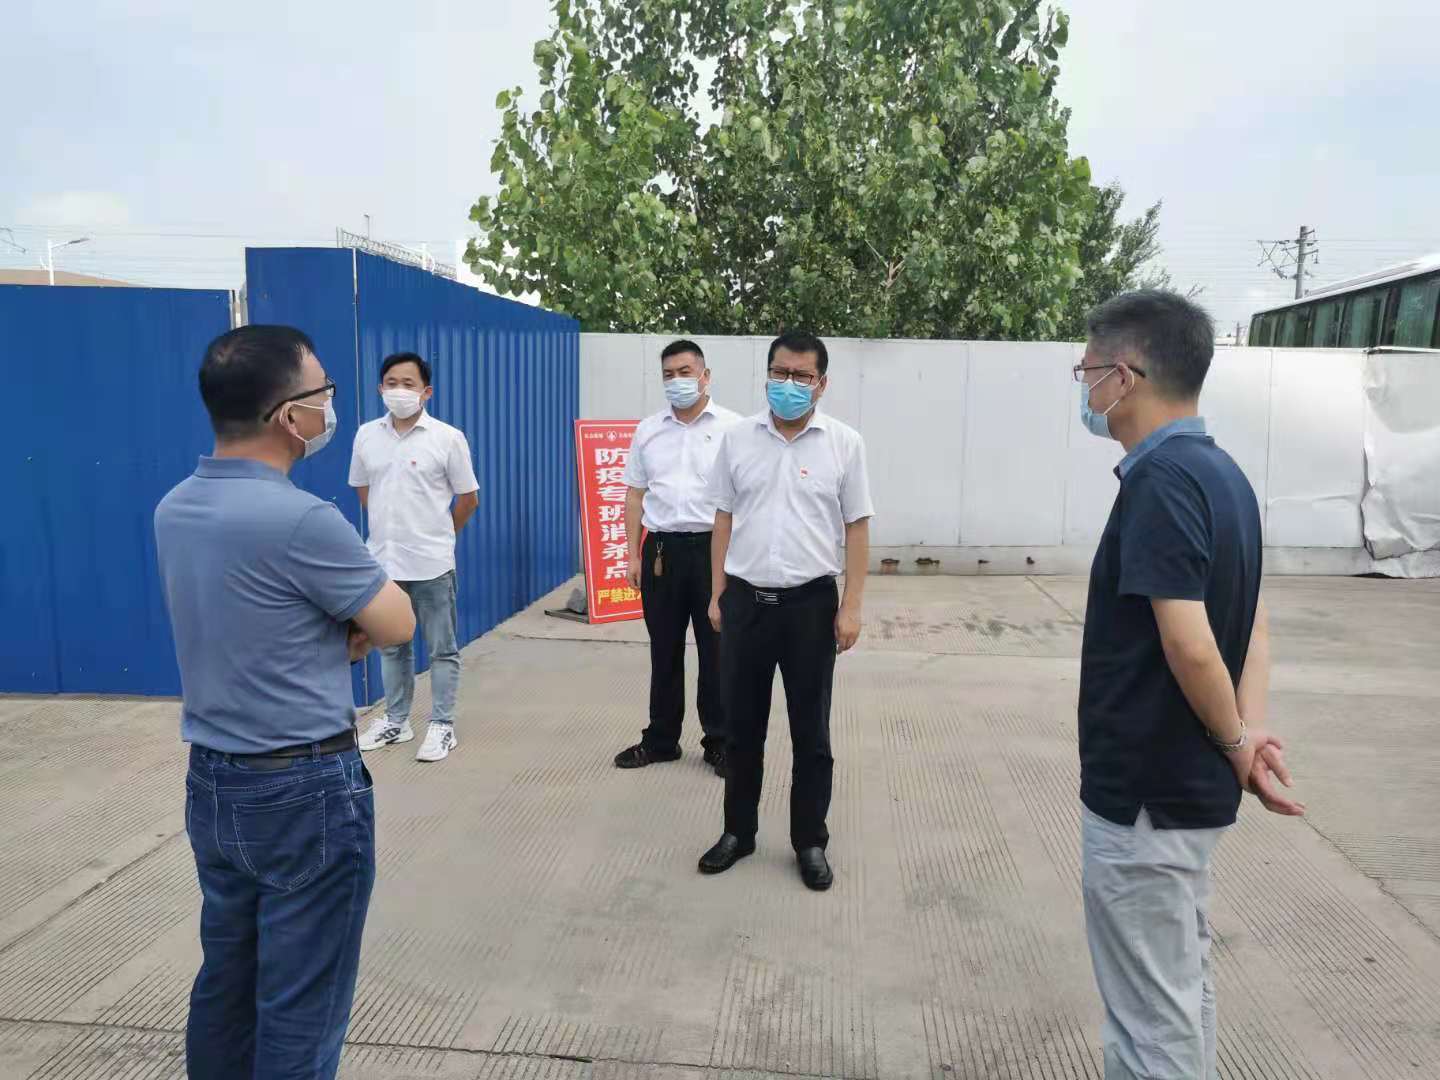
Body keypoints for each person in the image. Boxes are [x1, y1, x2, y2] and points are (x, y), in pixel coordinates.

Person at [154, 325, 416, 1079]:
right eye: (321, 392)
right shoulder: (302, 519)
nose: (330, 405)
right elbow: (396, 622)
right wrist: (344, 630)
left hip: (215, 781)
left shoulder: (177, 507)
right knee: (302, 1007)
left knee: (228, 986)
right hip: (303, 791)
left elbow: (247, 622)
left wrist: (323, 638)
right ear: (287, 416)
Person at [1073, 290, 1305, 1079]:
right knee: (1177, 990)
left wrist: (1237, 740)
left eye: (1087, 370)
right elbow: (1254, 624)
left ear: (1124, 375)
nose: (1084, 388)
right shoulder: (1222, 475)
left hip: (1148, 795)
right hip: (1183, 790)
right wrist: (1246, 734)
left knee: (1148, 1022)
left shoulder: (1162, 482)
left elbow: (1191, 643)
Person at [697, 331, 873, 892]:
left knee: (811, 733)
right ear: (767, 373)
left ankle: (809, 841)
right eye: (780, 372)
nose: (788, 384)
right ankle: (738, 832)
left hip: (810, 608)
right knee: (741, 729)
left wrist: (851, 606)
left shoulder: (844, 444)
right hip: (746, 602)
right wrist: (718, 592)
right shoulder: (737, 439)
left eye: (801, 376)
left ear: (821, 383)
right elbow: (723, 517)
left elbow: (857, 527)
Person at [613, 340, 742, 776]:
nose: (677, 381)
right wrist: (633, 554)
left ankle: (719, 741)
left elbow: (746, 497)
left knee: (716, 650)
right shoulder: (648, 430)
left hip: (713, 552)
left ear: (706, 376)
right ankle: (661, 739)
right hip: (661, 552)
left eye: (685, 372)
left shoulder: (733, 428)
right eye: (668, 374)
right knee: (664, 649)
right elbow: (635, 495)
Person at [350, 352, 480, 763]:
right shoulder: (366, 436)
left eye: (408, 384)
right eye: (391, 382)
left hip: (431, 563)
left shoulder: (447, 438)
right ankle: (397, 720)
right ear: (380, 388)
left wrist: (440, 536)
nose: (399, 390)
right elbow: (364, 489)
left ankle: (442, 724)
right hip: (384, 563)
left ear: (427, 392)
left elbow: (468, 499)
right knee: (391, 646)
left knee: (442, 648)